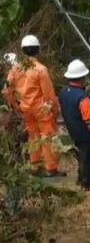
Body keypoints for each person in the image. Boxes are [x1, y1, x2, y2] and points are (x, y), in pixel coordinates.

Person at [1, 35, 63, 177]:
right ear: (38, 50)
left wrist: (15, 106)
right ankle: (50, 168)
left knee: (33, 137)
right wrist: (54, 108)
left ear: (22, 51)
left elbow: (6, 90)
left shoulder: (15, 70)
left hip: (25, 109)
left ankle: (35, 167)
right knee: (47, 137)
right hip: (42, 109)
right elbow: (48, 93)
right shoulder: (41, 70)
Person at [58, 60, 90, 191]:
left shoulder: (64, 92)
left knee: (80, 154)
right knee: (88, 157)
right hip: (84, 132)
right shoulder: (83, 97)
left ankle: (80, 177)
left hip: (72, 129)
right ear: (82, 78)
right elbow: (89, 119)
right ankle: (87, 182)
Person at [1, 53, 25, 217]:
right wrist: (17, 110)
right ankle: (11, 208)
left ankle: (11, 207)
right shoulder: (7, 85)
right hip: (7, 129)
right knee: (13, 166)